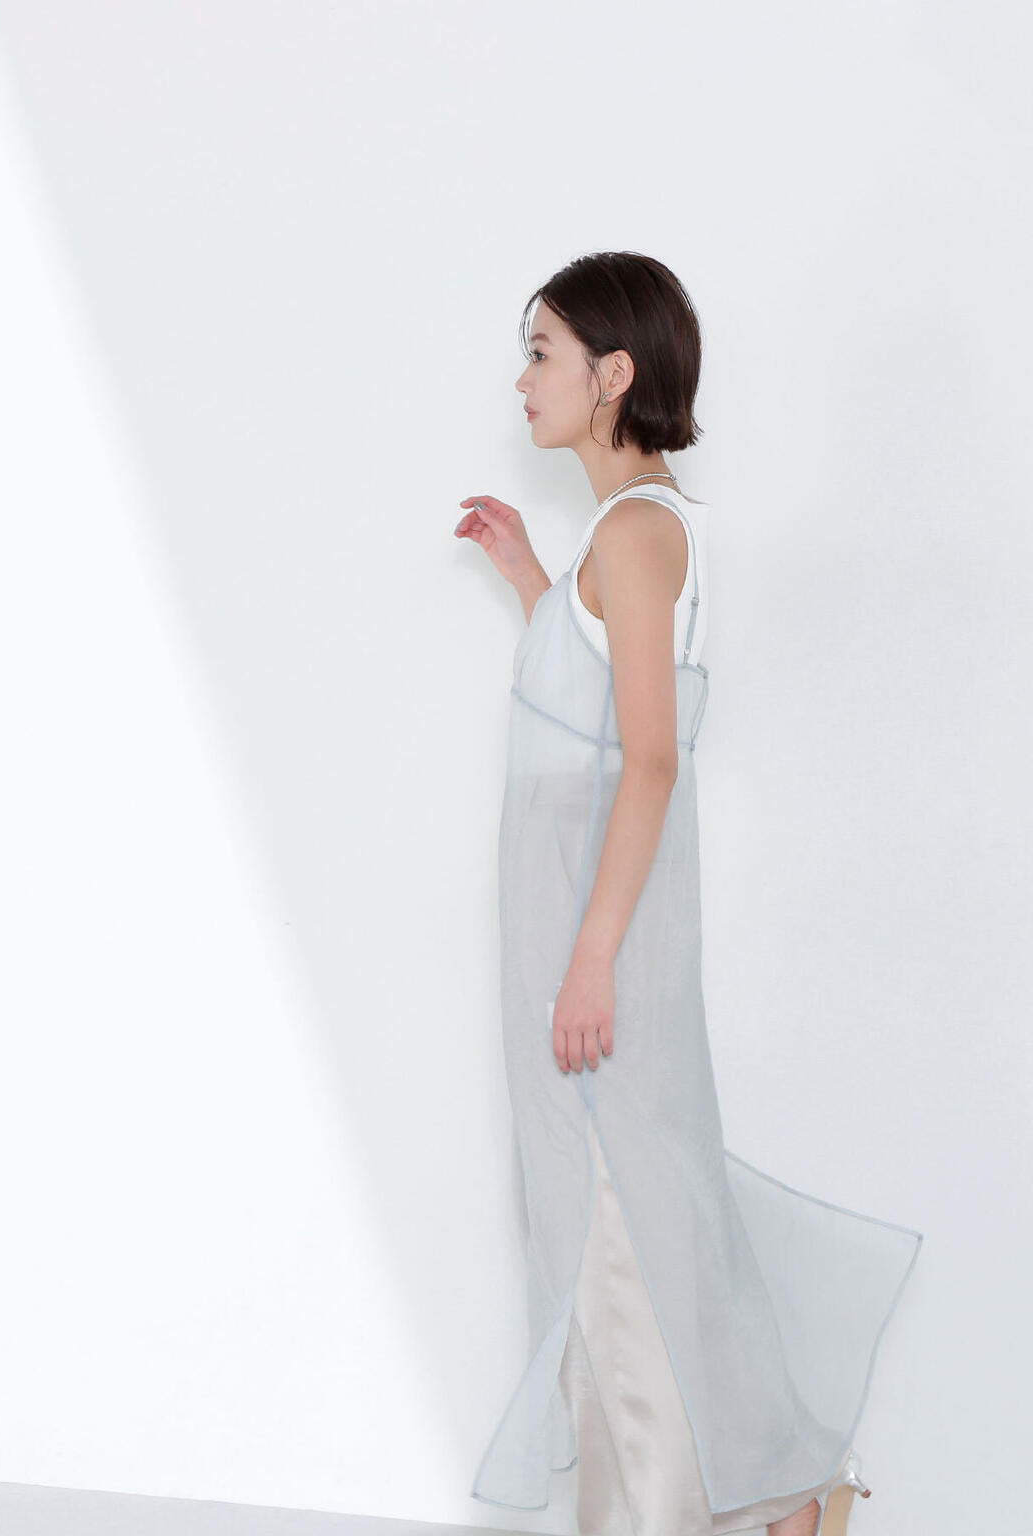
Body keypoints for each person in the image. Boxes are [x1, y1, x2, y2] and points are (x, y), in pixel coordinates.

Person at [453, 251, 922, 1536]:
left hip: (595, 941)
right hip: (577, 930)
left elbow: (649, 758)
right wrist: (528, 581)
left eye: (540, 351)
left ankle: (730, 1503)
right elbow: (596, 698)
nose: (521, 378)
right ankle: (787, 1496)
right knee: (632, 1213)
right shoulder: (625, 536)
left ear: (613, 373)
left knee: (623, 1231)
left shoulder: (639, 532)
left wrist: (590, 958)